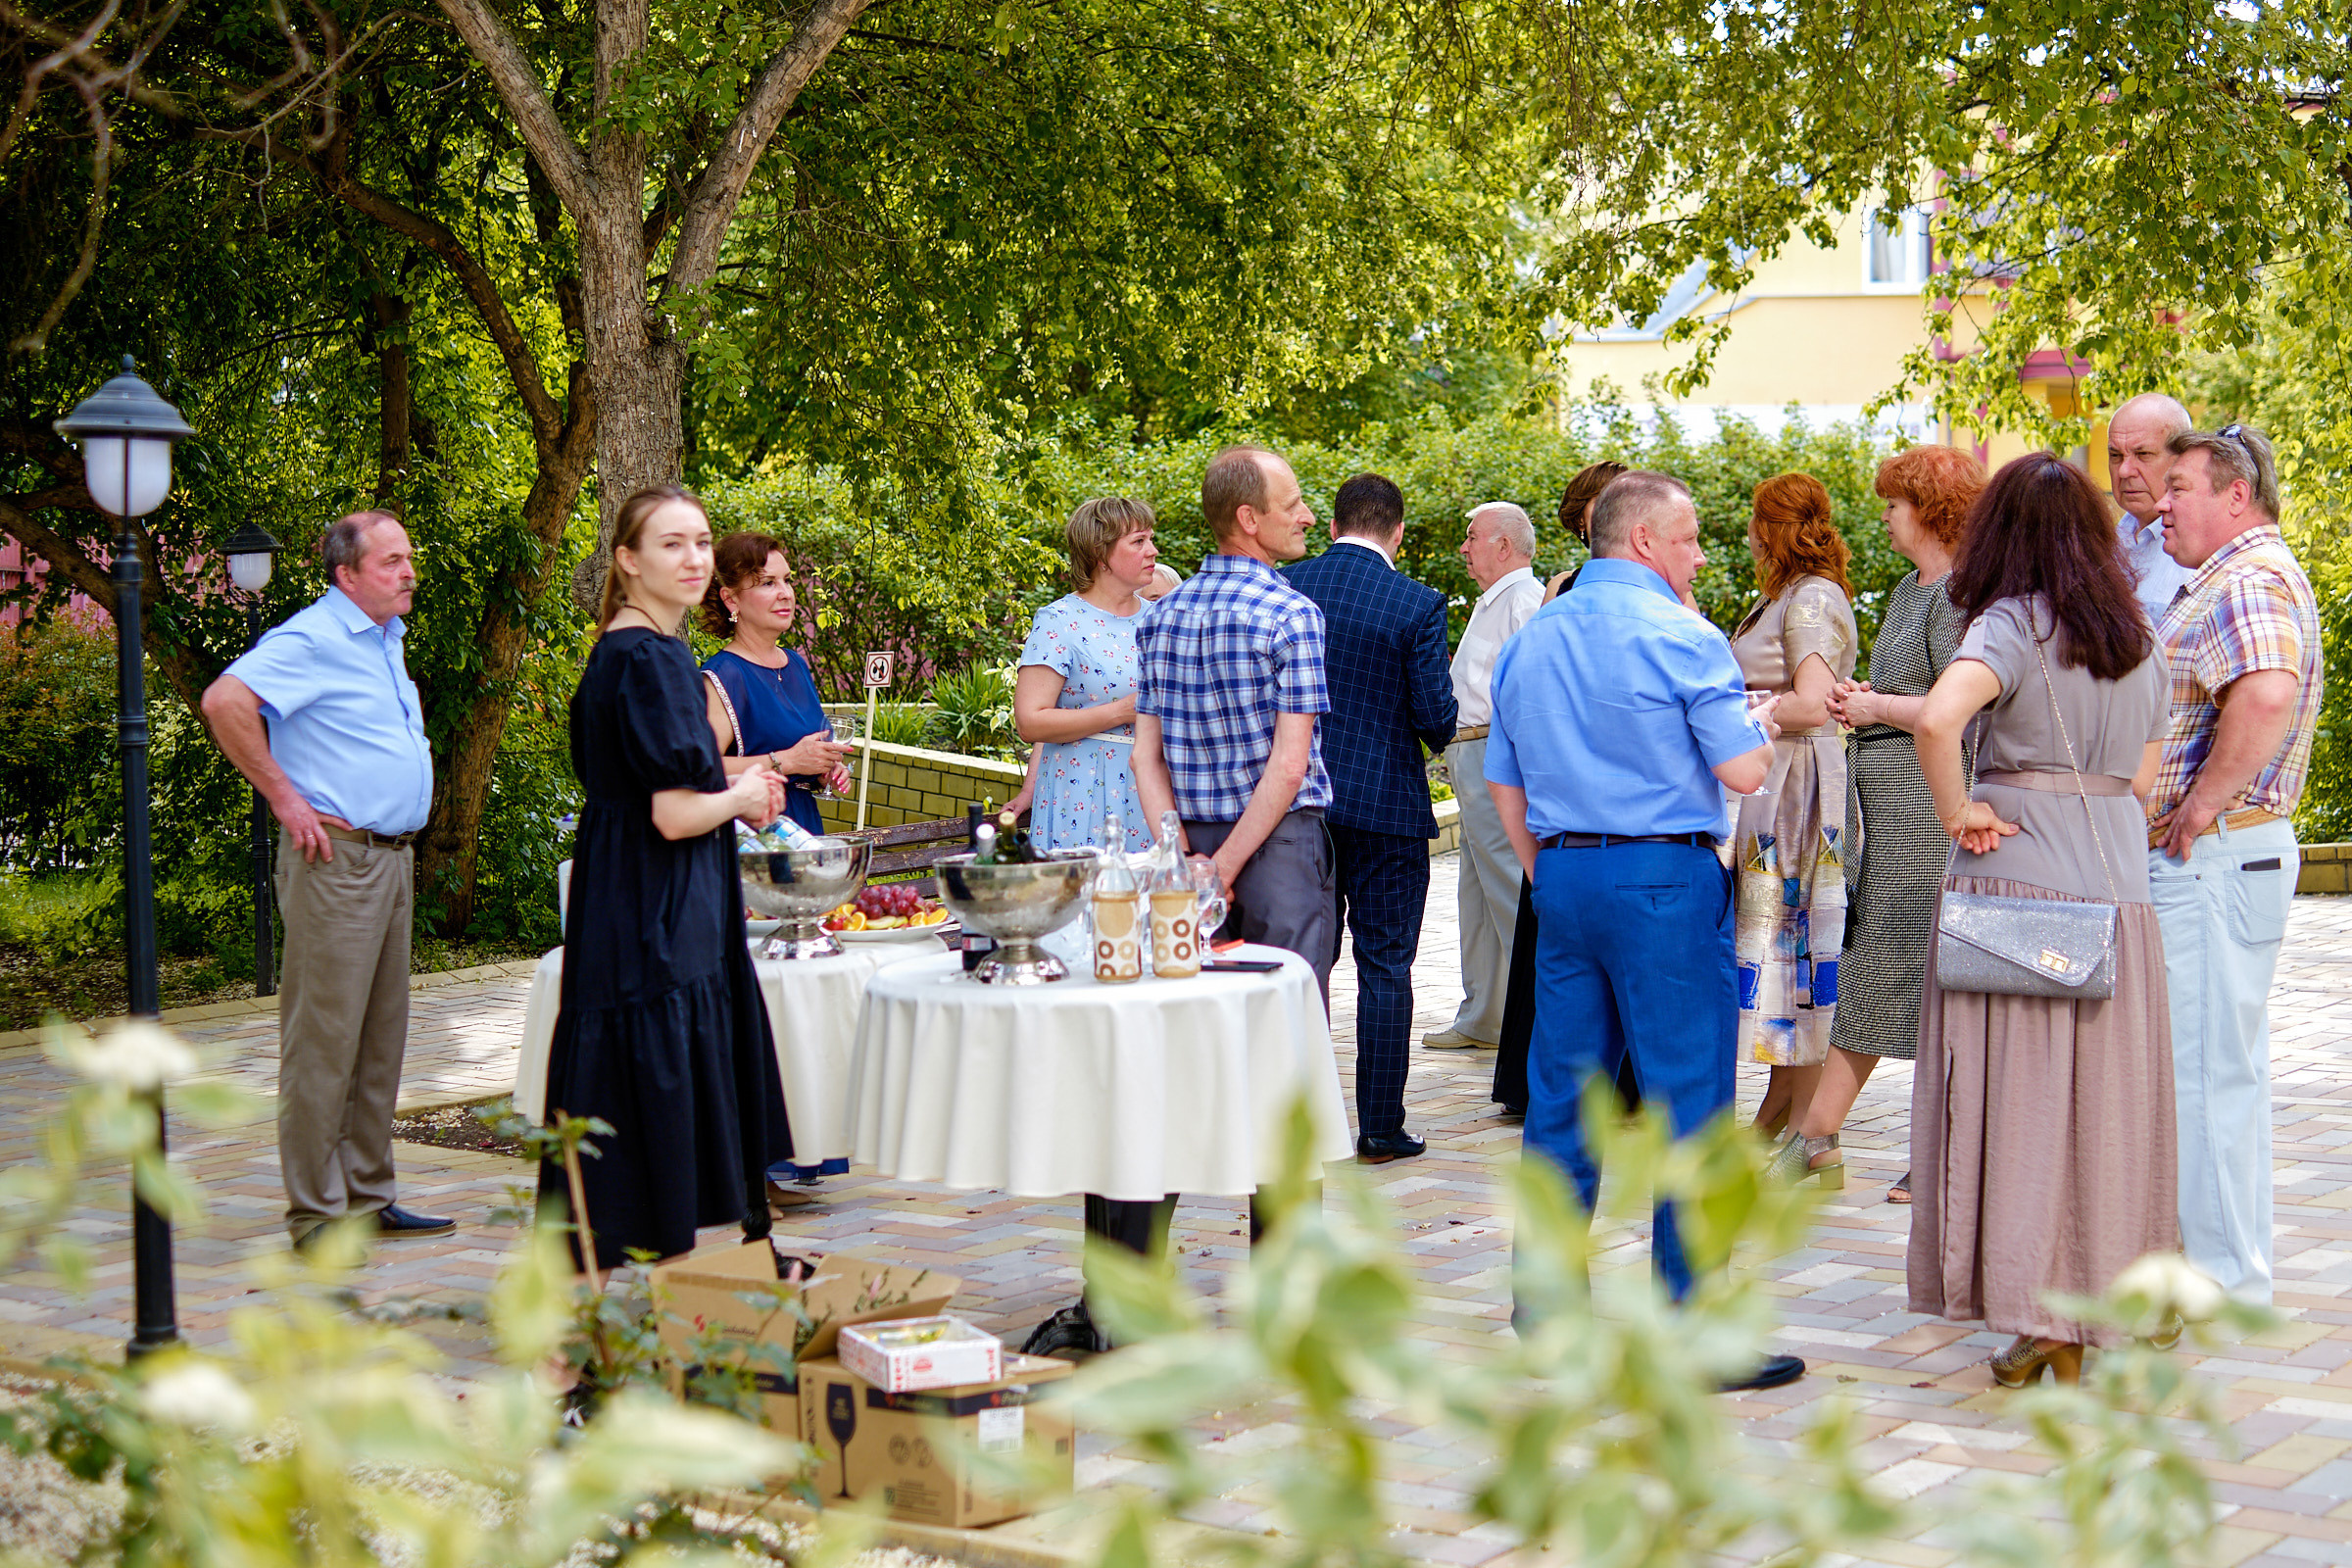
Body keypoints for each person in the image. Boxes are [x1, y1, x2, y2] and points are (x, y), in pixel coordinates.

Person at [1486, 470, 1803, 1393]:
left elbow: (1507, 781)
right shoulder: (1683, 635)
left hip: (1567, 874)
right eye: (1691, 539)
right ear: (1644, 543)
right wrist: (1762, 725)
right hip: (1662, 873)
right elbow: (1743, 772)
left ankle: (1545, 1314)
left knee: (1562, 1099)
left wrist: (1550, 870)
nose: (1701, 556)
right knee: (1688, 1104)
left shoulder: (1533, 639)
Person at [1907, 453, 2177, 1387]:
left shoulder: (2012, 622)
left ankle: (2035, 1312)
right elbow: (2142, 781)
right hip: (2118, 887)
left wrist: (1960, 811)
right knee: (2104, 1109)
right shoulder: (2139, 635)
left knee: (2017, 1105)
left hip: (2015, 882)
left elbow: (1940, 719)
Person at [539, 485, 796, 1271]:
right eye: (671, 544)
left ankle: (648, 1306)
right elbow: (676, 815)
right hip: (655, 906)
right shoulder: (648, 659)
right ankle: (627, 1326)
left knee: (635, 1103)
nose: (693, 558)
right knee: (651, 1089)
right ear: (628, 560)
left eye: (701, 542)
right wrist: (747, 796)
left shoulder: (629, 648)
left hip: (635, 898)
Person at [202, 511, 451, 1250]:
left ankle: (370, 1198)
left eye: (409, 558)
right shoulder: (314, 637)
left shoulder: (384, 639)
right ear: (347, 575)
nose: (408, 571)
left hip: (392, 858)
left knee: (380, 1040)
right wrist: (283, 795)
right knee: (323, 1043)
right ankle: (314, 1215)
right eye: (392, 562)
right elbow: (225, 701)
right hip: (335, 864)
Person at [2148, 423, 2322, 1303]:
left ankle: (2219, 1286)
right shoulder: (2232, 575)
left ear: (2236, 497)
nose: (2161, 503)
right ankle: (2219, 1274)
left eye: (2180, 486)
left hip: (2212, 858)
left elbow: (2266, 690)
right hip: (2219, 859)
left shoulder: (2246, 577)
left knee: (2207, 1080)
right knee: (2220, 1076)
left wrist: (2204, 802)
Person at [1807, 445, 1986, 1203]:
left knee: (1901, 963)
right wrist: (1874, 695)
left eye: (1893, 502)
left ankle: (1826, 1137)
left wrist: (1874, 705)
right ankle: (1826, 1138)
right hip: (1891, 796)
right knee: (1894, 965)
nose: (1883, 515)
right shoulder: (1916, 588)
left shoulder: (1953, 594)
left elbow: (1961, 706)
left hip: (1922, 801)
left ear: (1930, 507)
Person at [1284, 473, 1458, 1161]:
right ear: (1399, 532)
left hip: (1299, 806)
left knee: (1304, 964)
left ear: (1331, 527)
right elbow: (1437, 721)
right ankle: (1381, 1127)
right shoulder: (1416, 603)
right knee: (1385, 966)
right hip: (1387, 808)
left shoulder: (1290, 588)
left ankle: (1295, 1123)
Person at [1134, 444, 1336, 995]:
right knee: (1287, 1030)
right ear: (1249, 519)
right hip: (1279, 853)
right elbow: (1290, 765)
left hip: (1188, 845)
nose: (1308, 517)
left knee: (1201, 1020)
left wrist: (1184, 863)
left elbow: (1143, 757)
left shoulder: (1160, 616)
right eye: (1293, 504)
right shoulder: (1293, 615)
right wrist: (1221, 871)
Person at [1730, 474, 1858, 1156]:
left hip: (1799, 799)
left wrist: (1742, 711)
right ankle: (1785, 1121)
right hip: (1780, 794)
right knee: (1784, 963)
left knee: (1799, 958)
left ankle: (1809, 1138)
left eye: (1755, 520)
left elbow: (1813, 701)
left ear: (1771, 526)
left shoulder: (1808, 600)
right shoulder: (1788, 595)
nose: (1747, 532)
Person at [1493, 462, 1627, 1117]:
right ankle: (1548, 1081)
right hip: (1565, 784)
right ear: (1583, 517)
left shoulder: (1659, 586)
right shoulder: (1558, 589)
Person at [1424, 500, 1544, 1054]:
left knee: (1505, 888)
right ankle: (1485, 1015)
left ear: (1503, 544)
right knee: (1476, 889)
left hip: (1494, 753)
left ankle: (1535, 1021)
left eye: (1472, 537)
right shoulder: (1497, 599)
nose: (1465, 548)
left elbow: (1532, 692)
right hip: (1473, 751)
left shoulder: (1523, 599)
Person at [1014, 498, 1161, 852]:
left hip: (1151, 792)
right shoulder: (1059, 621)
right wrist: (1120, 712)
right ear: (1100, 553)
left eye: (1151, 539)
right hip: (1080, 789)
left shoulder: (1162, 618)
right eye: (1139, 541)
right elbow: (1030, 722)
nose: (1153, 551)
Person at [700, 533, 852, 836]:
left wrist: (825, 773)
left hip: (805, 830)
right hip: (754, 840)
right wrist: (787, 761)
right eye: (768, 583)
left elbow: (806, 757)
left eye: (787, 580)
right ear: (731, 599)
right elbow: (701, 772)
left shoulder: (795, 665)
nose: (785, 593)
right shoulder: (722, 676)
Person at [2107, 393, 2195, 625]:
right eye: (2115, 456)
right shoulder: (2108, 543)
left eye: (2142, 455)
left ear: (2181, 460)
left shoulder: (2200, 548)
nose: (2124, 471)